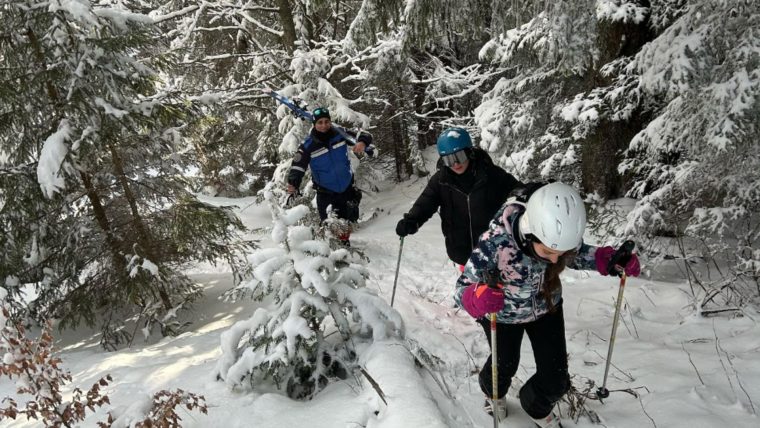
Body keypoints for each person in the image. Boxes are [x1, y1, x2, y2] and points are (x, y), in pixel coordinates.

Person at [453, 182, 641, 428]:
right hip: (504, 316)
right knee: (504, 366)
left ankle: (535, 406)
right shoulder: (495, 244)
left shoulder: (556, 234)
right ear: (529, 232)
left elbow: (576, 253)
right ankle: (493, 393)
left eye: (560, 253)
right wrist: (475, 297)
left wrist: (604, 259)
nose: (556, 259)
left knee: (556, 378)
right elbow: (460, 290)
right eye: (549, 251)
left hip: (547, 309)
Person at [394, 127, 521, 266]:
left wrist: (532, 191)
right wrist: (411, 221)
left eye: (459, 156)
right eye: (449, 159)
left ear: (469, 152)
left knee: (492, 288)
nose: (455, 164)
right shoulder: (441, 180)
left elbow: (518, 192)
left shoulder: (491, 175)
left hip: (493, 252)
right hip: (461, 254)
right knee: (469, 288)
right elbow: (425, 203)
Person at [287, 107, 373, 246]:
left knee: (344, 226)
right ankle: (330, 254)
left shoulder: (341, 134)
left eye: (327, 121)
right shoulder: (308, 145)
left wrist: (362, 142)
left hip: (345, 189)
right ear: (314, 124)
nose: (324, 125)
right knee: (328, 227)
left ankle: (345, 252)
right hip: (325, 192)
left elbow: (365, 134)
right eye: (320, 122)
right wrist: (293, 183)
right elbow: (298, 166)